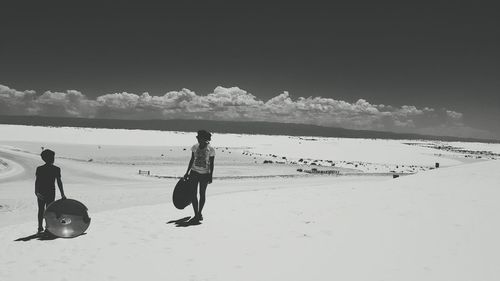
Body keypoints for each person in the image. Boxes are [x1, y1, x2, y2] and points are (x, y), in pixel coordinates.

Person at [184, 130, 215, 222]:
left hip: (204, 175)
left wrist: (210, 175)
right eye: (198, 138)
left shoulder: (211, 150)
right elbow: (192, 159)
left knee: (202, 194)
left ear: (205, 139)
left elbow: (212, 164)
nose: (198, 139)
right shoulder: (195, 147)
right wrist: (187, 172)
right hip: (194, 173)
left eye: (199, 138)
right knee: (193, 194)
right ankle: (196, 213)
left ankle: (199, 213)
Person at [35, 149, 66, 233]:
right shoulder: (56, 169)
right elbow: (59, 182)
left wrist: (36, 192)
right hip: (50, 192)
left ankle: (41, 227)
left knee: (41, 210)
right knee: (48, 210)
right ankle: (46, 227)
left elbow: (37, 181)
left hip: (42, 191)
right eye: (52, 157)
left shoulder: (40, 168)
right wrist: (62, 194)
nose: (53, 158)